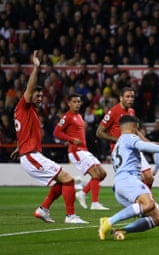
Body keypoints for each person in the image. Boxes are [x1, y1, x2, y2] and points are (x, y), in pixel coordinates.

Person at [11, 51, 87, 224]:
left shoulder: (27, 112)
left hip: (30, 153)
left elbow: (22, 131)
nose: (39, 97)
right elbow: (29, 90)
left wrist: (19, 146)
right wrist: (36, 68)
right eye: (37, 95)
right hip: (31, 155)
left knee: (61, 182)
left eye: (41, 95)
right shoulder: (25, 105)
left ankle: (43, 209)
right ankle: (70, 216)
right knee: (68, 178)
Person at [98, 115, 159, 240]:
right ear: (133, 127)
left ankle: (121, 230)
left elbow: (142, 146)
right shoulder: (129, 137)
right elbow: (144, 146)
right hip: (128, 180)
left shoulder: (119, 144)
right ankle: (108, 221)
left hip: (121, 184)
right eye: (137, 129)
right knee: (148, 204)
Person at [96, 87, 159, 213]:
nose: (130, 99)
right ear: (121, 98)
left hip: (134, 148)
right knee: (137, 179)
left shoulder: (131, 111)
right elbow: (99, 132)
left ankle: (149, 203)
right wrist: (118, 140)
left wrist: (147, 143)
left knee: (149, 177)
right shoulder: (113, 112)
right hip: (122, 152)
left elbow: (135, 131)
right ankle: (149, 206)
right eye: (127, 96)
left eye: (132, 97)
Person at [53, 93, 109, 210]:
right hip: (76, 151)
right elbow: (56, 132)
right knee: (95, 175)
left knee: (102, 174)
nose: (77, 104)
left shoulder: (79, 116)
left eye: (78, 102)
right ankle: (94, 203)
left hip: (84, 150)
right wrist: (71, 139)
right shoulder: (67, 117)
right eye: (74, 102)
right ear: (69, 103)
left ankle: (82, 193)